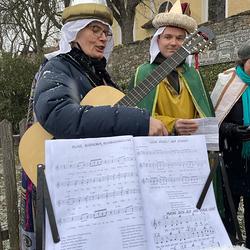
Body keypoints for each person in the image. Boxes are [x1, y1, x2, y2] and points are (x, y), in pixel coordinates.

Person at [20, 0, 168, 249]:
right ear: (75, 32)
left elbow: (105, 120)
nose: (103, 38)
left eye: (106, 32)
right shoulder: (59, 67)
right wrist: (138, 121)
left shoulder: (97, 74)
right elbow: (60, 115)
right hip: (67, 179)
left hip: (96, 180)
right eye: (95, 30)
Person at [130, 0, 214, 135]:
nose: (173, 43)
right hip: (157, 148)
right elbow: (135, 118)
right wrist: (172, 124)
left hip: (191, 146)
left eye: (180, 38)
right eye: (167, 37)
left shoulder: (193, 74)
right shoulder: (143, 72)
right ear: (158, 40)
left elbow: (204, 113)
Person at [211, 39, 250, 248]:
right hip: (230, 160)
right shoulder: (227, 82)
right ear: (244, 61)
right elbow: (213, 119)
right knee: (228, 210)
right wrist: (232, 130)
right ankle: (228, 244)